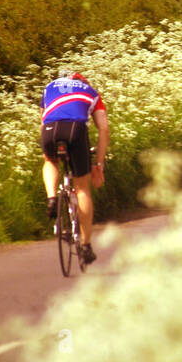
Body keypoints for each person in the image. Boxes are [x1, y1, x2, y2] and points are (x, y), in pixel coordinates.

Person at [40, 70, 109, 265]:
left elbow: (43, 119)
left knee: (50, 160)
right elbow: (103, 128)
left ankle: (52, 198)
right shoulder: (91, 92)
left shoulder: (49, 88)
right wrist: (99, 164)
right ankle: (86, 246)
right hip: (76, 130)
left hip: (50, 130)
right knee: (82, 189)